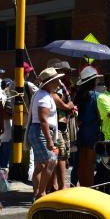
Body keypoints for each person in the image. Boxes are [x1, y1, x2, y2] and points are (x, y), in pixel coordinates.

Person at [28, 67, 63, 198]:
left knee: (40, 165)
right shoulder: (43, 96)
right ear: (49, 83)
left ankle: (37, 192)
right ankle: (41, 193)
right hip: (41, 132)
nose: (59, 83)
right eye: (56, 81)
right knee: (51, 160)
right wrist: (49, 141)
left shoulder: (43, 95)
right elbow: (43, 120)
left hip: (40, 131)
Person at [46, 59, 76, 191]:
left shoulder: (64, 85)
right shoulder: (54, 86)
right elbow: (55, 98)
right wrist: (67, 106)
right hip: (56, 124)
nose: (69, 74)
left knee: (61, 156)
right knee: (59, 155)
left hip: (62, 124)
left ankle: (55, 186)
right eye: (67, 71)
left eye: (69, 72)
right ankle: (58, 186)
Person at [74, 66, 102, 187]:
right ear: (93, 80)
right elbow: (100, 115)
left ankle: (82, 186)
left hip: (82, 130)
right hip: (93, 130)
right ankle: (89, 189)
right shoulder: (97, 96)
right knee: (90, 163)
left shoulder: (78, 95)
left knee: (82, 161)